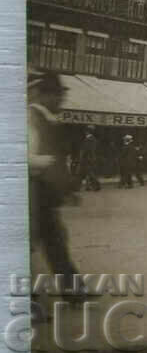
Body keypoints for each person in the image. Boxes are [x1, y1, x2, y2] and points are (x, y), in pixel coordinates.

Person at [28, 71, 83, 301]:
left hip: (43, 191)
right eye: (57, 95)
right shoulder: (31, 118)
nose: (61, 100)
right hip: (31, 189)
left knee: (55, 240)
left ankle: (73, 291)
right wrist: (46, 162)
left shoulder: (48, 119)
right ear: (43, 95)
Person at [77, 127, 101, 192]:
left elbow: (86, 149)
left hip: (87, 158)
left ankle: (95, 185)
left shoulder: (88, 139)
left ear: (87, 132)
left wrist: (81, 156)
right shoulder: (93, 139)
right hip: (91, 158)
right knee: (88, 172)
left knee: (83, 172)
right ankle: (89, 186)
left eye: (85, 131)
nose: (84, 132)